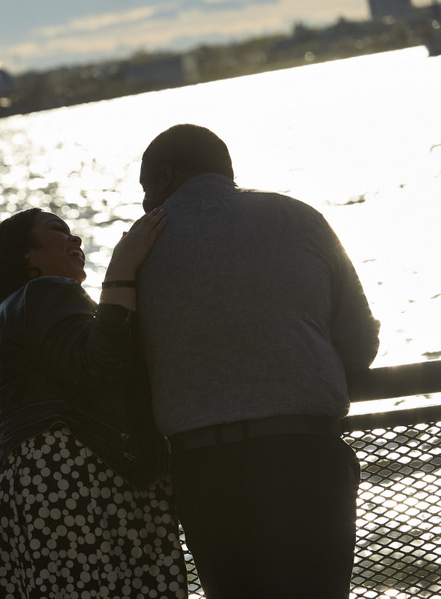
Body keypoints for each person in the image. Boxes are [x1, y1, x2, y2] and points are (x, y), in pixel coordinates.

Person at [133, 124, 381, 598]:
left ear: (164, 176)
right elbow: (359, 343)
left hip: (204, 469)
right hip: (307, 456)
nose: (146, 205)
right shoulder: (300, 218)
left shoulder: (139, 247)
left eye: (146, 190)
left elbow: (127, 361)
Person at [0, 207, 188, 598]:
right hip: (68, 486)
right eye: (57, 231)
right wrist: (123, 266)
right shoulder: (45, 291)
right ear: (27, 256)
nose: (75, 238)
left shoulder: (0, 319)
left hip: (15, 495)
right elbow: (101, 363)